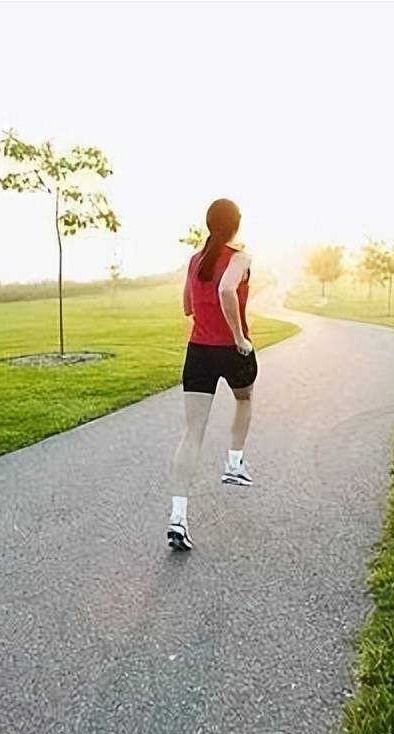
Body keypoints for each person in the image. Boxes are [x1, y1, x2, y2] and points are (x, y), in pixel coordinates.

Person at [167, 198, 257, 551]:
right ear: (235, 225)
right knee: (245, 398)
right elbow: (225, 289)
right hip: (231, 351)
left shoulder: (195, 260)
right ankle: (234, 463)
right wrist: (238, 337)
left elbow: (188, 306)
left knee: (192, 433)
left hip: (198, 352)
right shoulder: (240, 258)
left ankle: (178, 517)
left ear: (208, 225)